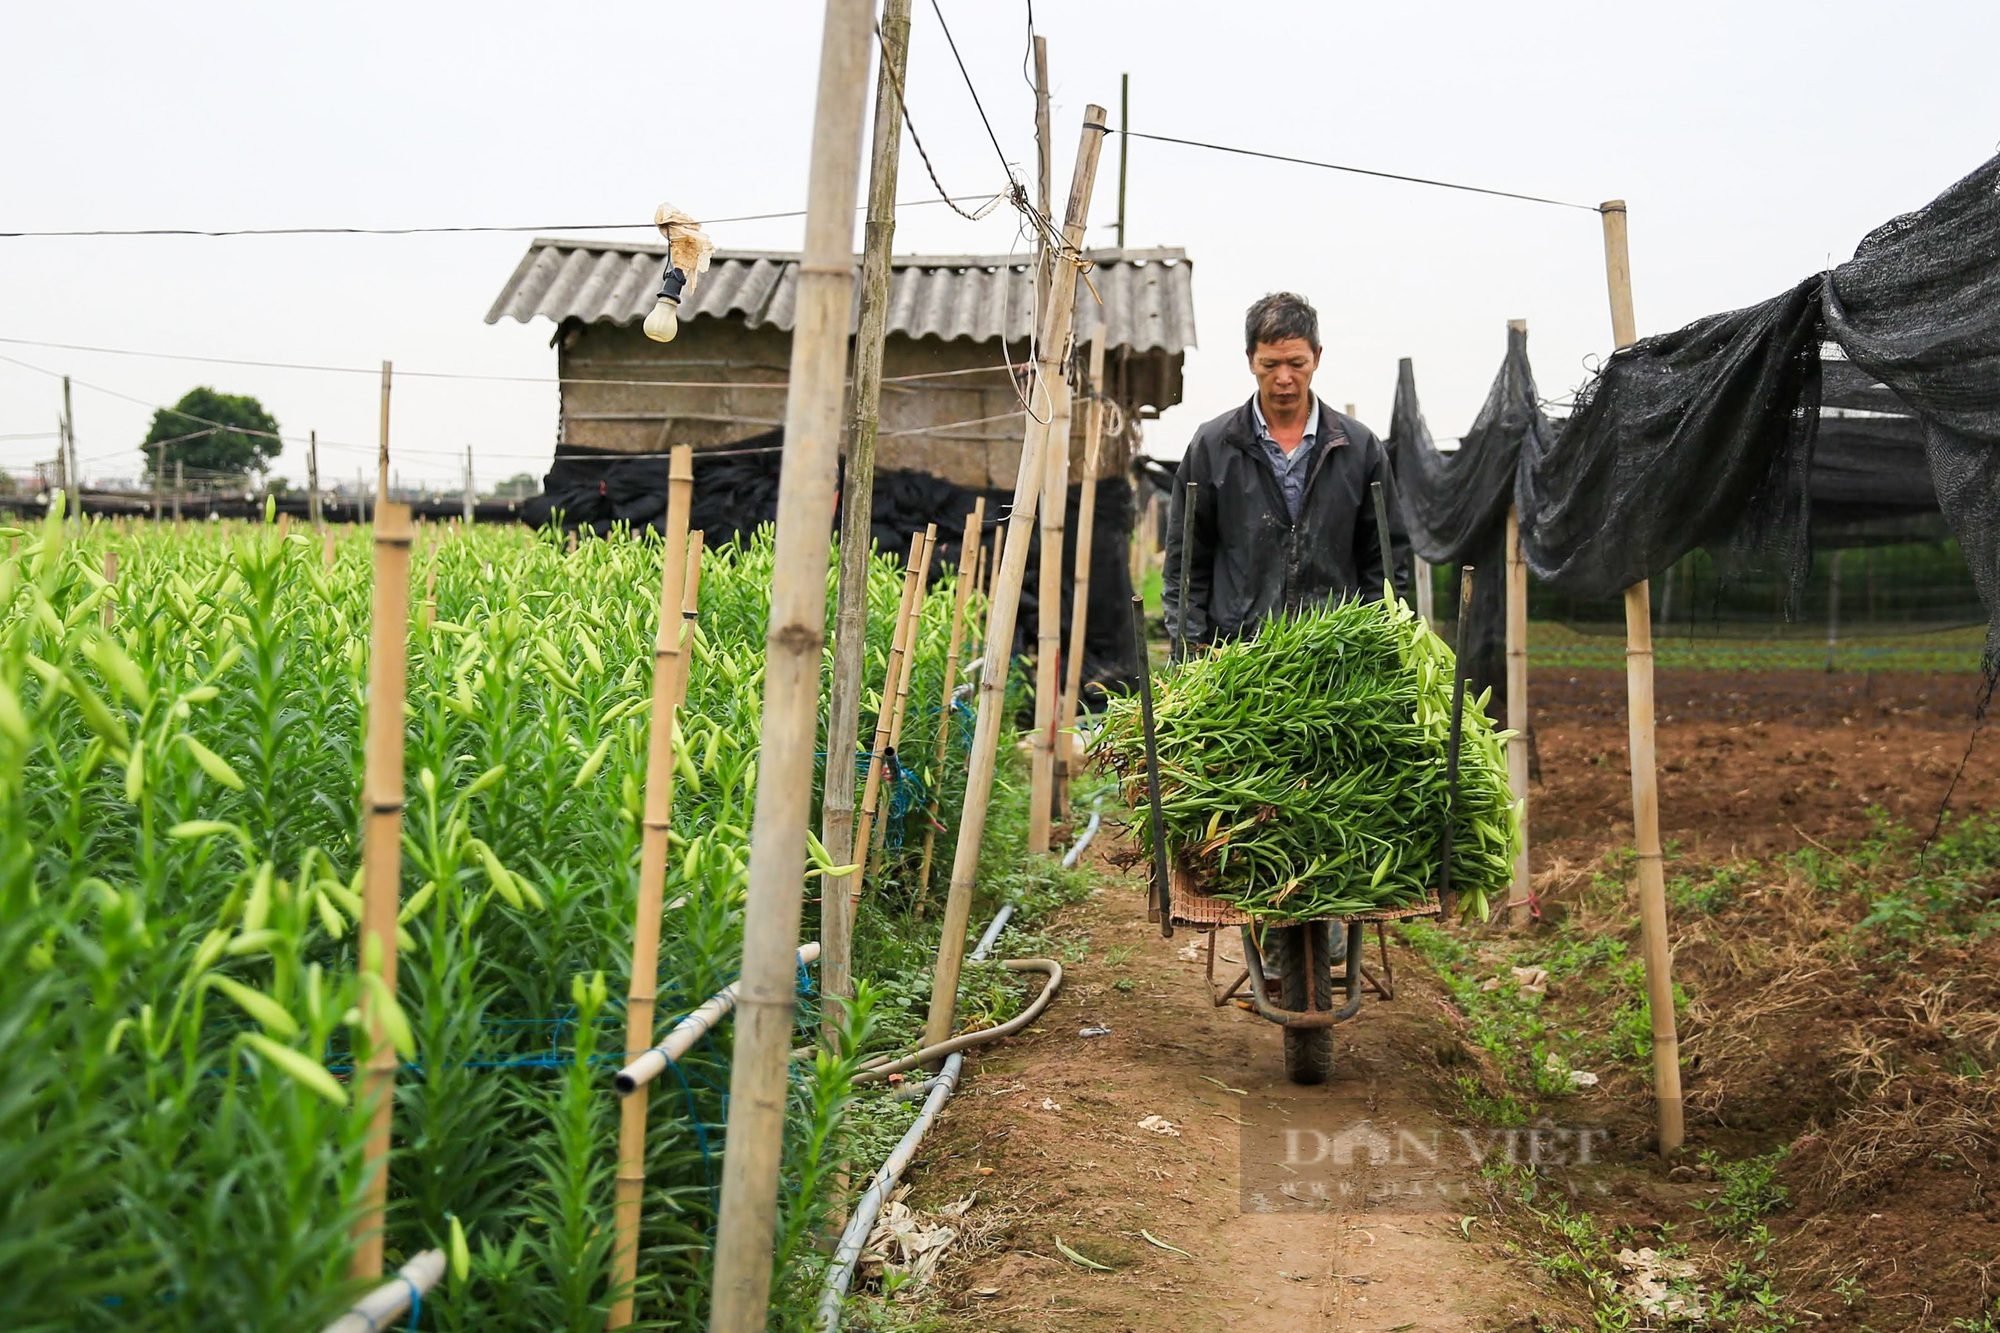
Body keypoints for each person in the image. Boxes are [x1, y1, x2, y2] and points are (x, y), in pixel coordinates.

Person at [1163, 291, 1410, 652]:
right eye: (1269, 364)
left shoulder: (1358, 448)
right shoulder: (1213, 446)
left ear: (1317, 357)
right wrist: (1191, 649)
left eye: (1296, 363)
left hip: (1334, 659)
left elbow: (1386, 564)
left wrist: (1375, 648)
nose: (1283, 378)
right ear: (1250, 360)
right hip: (1235, 656)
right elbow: (1185, 562)